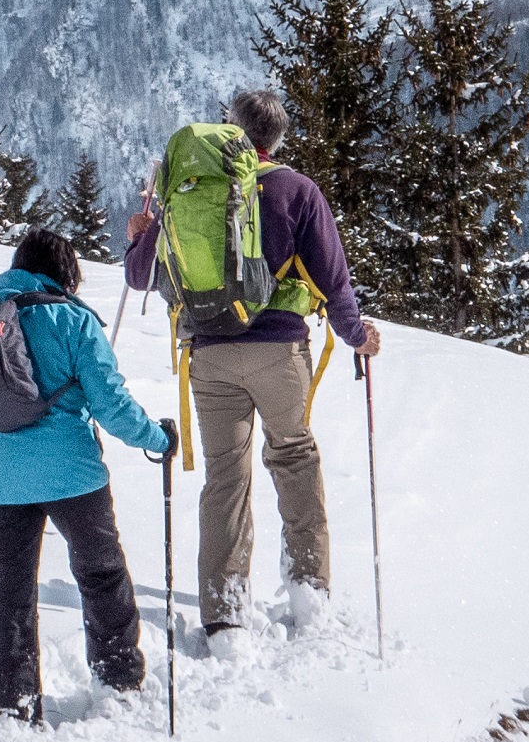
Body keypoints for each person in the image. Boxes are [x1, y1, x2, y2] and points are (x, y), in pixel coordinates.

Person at [125, 88, 380, 635]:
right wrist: (357, 337)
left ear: (232, 129)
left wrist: (138, 240)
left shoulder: (190, 188)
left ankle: (224, 616)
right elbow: (334, 284)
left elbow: (138, 276)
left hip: (209, 355)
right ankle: (309, 595)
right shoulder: (297, 190)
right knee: (293, 458)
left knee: (225, 480)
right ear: (278, 138)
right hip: (279, 352)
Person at [0, 225, 175, 724]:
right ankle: (118, 680)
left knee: (10, 592)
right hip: (72, 477)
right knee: (102, 573)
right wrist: (159, 439)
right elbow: (111, 405)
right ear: (68, 275)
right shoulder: (75, 322)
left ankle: (13, 708)